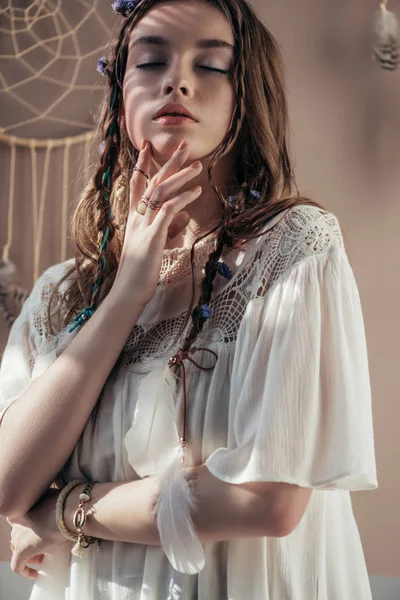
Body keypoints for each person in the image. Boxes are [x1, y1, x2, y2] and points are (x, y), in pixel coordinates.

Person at [0, 0, 378, 598]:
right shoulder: (60, 294)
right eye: (151, 61)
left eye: (211, 66)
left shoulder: (294, 250)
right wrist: (127, 292)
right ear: (120, 98)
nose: (177, 80)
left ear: (244, 98)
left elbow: (266, 501)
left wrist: (65, 510)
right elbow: (6, 484)